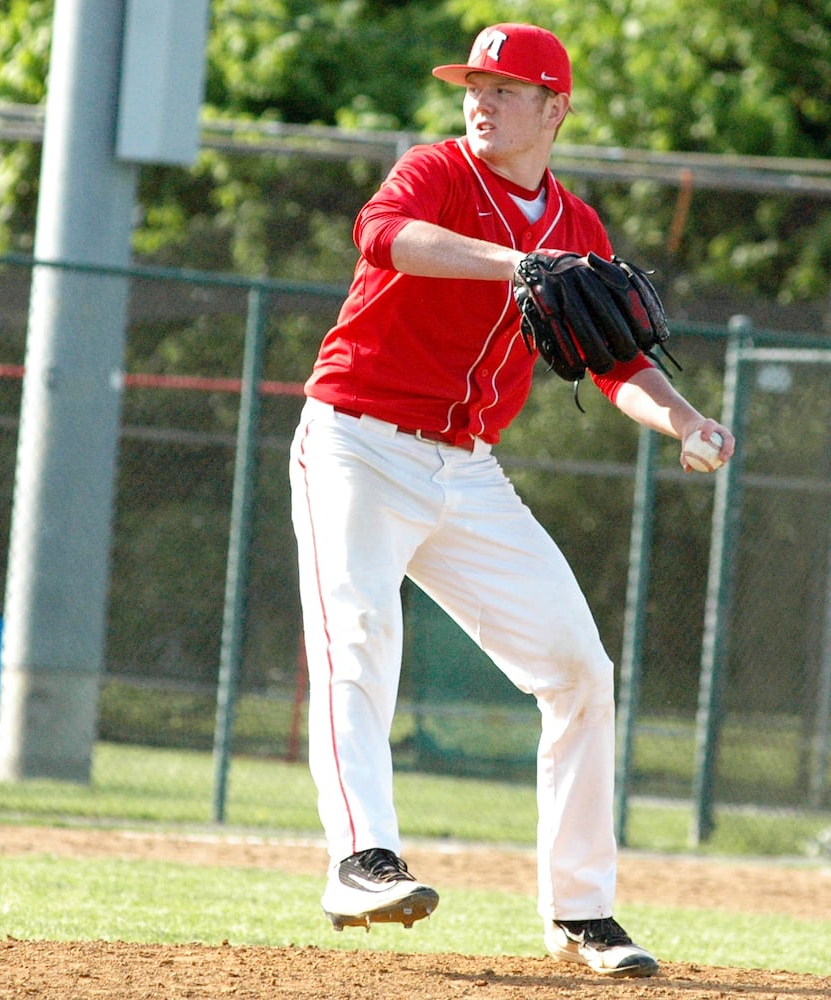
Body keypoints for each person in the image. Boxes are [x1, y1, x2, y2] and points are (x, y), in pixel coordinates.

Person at [288, 22, 734, 978]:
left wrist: (688, 421)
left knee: (579, 670)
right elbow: (382, 237)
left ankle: (581, 914)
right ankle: (361, 860)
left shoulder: (578, 228)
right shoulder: (436, 172)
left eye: (505, 87)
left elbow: (614, 361)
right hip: (357, 440)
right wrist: (514, 265)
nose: (480, 99)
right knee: (359, 636)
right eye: (473, 84)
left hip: (467, 468)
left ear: (556, 108)